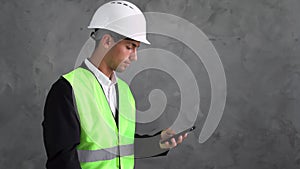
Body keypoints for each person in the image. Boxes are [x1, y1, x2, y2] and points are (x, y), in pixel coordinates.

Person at [42, 1, 188, 169]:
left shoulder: (124, 91)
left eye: (136, 48)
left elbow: (118, 145)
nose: (134, 57)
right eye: (129, 47)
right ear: (107, 41)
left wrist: (156, 143)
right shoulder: (67, 90)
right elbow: (62, 162)